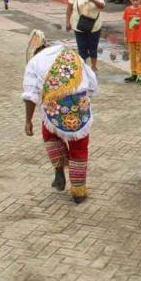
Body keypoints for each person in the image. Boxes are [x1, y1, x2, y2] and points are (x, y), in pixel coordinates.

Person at [22, 34, 97, 203]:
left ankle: (59, 171)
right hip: (80, 103)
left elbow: (30, 95)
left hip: (54, 107)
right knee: (79, 147)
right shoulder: (71, 54)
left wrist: (28, 121)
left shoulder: (34, 62)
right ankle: (78, 192)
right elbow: (92, 83)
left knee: (50, 136)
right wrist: (84, 99)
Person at [65, 0, 105, 72]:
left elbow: (102, 6)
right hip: (79, 25)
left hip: (94, 25)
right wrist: (67, 22)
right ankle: (83, 68)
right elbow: (69, 8)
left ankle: (94, 67)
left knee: (93, 47)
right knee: (81, 47)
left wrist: (93, 0)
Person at [123, 0, 141, 84]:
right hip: (130, 37)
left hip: (139, 37)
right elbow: (126, 24)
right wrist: (125, 35)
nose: (135, 2)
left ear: (140, 0)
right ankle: (133, 73)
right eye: (134, 0)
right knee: (132, 56)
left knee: (139, 56)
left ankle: (140, 75)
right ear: (131, 0)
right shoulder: (127, 10)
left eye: (137, 0)